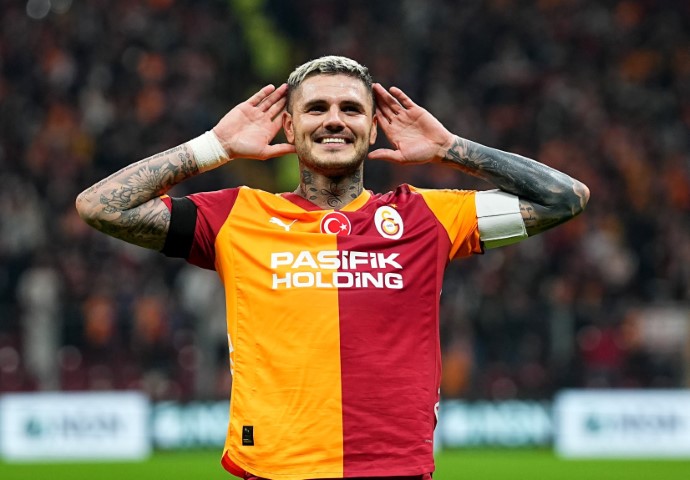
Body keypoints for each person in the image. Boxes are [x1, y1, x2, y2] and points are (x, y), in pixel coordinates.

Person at [76, 56, 589, 479]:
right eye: (316, 108)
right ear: (289, 126)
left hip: (395, 470)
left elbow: (564, 199)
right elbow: (101, 207)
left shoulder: (426, 216)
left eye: (351, 109)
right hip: (275, 470)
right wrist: (214, 147)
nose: (335, 120)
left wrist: (451, 149)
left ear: (373, 127)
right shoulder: (238, 215)